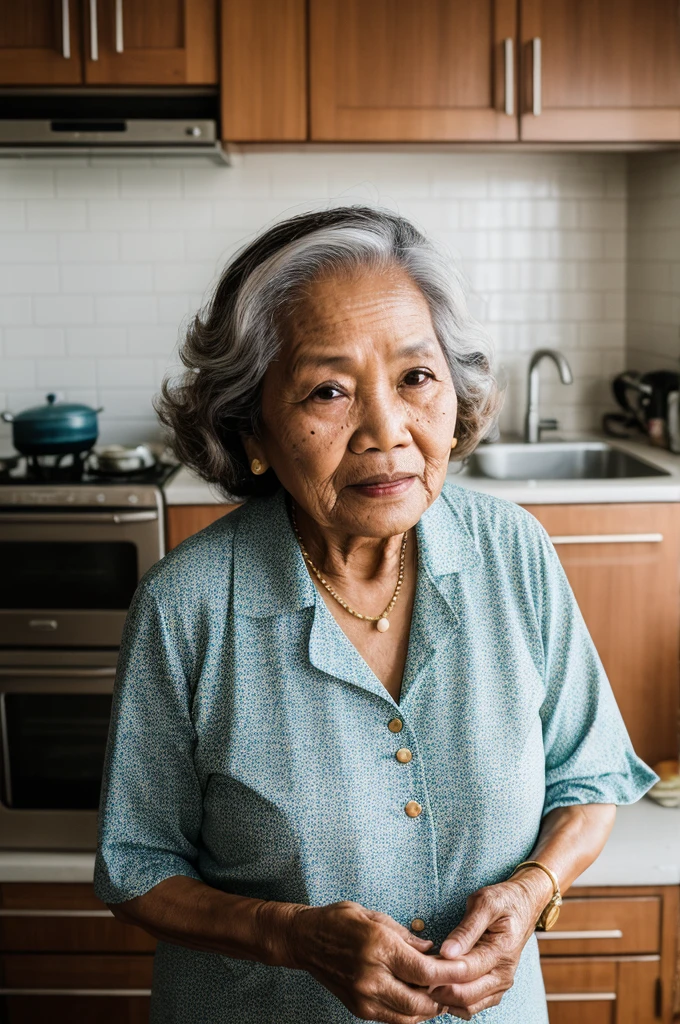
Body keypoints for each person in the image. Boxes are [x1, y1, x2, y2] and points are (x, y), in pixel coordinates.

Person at [94, 205, 658, 1024]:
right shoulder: (186, 608)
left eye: (415, 378)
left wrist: (535, 891)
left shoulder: (513, 552)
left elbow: (591, 776)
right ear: (251, 428)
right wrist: (290, 937)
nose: (387, 431)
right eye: (328, 390)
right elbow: (135, 867)